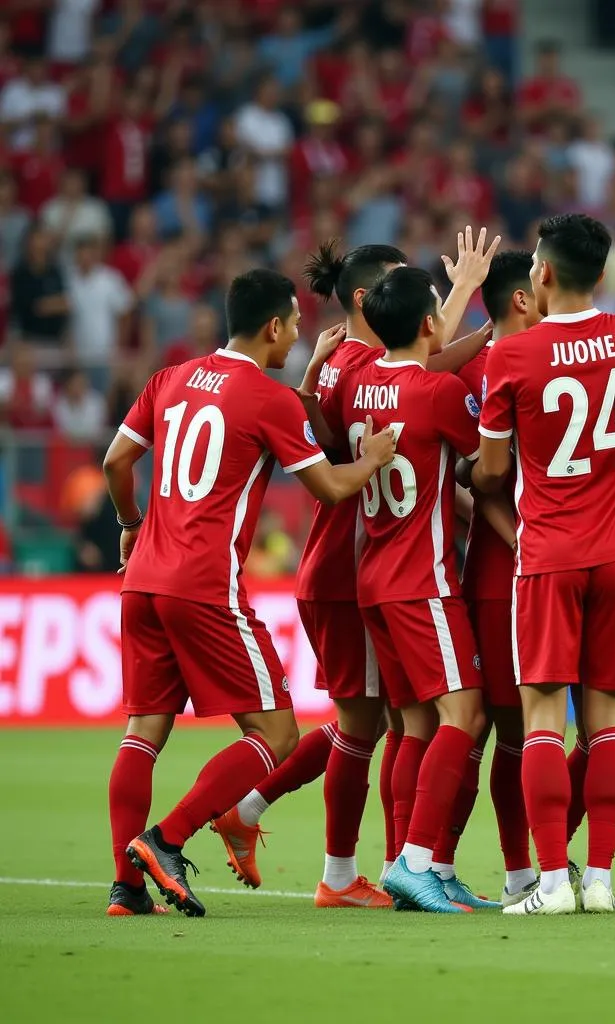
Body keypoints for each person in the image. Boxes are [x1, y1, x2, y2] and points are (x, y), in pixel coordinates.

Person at [211, 228, 500, 906]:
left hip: (358, 564)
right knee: (376, 728)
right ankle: (368, 869)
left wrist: (472, 316)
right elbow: (431, 380)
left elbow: (420, 361)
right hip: (365, 562)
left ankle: (353, 850)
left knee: (385, 725)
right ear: (371, 299)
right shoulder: (360, 363)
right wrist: (477, 308)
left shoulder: (350, 368)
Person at [102, 268, 397, 918]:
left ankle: (125, 887)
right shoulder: (268, 400)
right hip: (204, 587)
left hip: (144, 578)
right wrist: (373, 457)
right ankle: (167, 841)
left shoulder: (170, 379)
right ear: (273, 326)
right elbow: (331, 488)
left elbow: (116, 462)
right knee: (275, 731)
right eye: (293, 323)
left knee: (143, 732)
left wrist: (130, 524)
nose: (297, 334)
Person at [473, 213, 615, 915]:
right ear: (602, 276)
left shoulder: (508, 356)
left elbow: (488, 470)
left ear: (540, 274)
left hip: (547, 552)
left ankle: (550, 884)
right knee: (607, 720)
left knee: (543, 719)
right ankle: (601, 881)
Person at [341, 267, 490, 914]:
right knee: (467, 716)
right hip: (422, 580)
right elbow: (488, 466)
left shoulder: (355, 383)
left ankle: (402, 863)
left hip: (373, 573)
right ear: (429, 323)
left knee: (415, 725)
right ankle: (419, 861)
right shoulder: (439, 392)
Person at [459, 250, 541, 907]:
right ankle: (516, 873)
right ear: (522, 298)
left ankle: (429, 862)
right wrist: (510, 533)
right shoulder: (487, 368)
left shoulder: (526, 358)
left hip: (528, 564)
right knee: (502, 728)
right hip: (500, 572)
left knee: (508, 729)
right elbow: (466, 474)